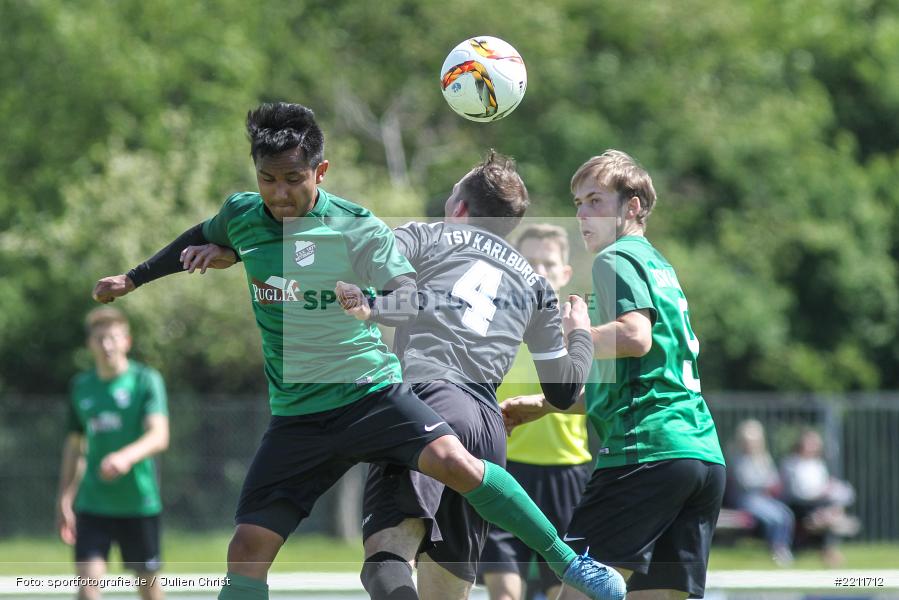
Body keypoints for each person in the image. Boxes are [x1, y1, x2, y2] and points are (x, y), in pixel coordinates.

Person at [91, 103, 623, 600]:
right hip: (297, 413)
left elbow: (407, 291)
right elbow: (205, 231)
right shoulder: (241, 216)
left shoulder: (360, 226)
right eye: (267, 179)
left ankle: (566, 561)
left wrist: (372, 303)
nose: (279, 193)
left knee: (452, 464)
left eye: (293, 180)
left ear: (320, 173)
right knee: (246, 553)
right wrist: (135, 277)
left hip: (369, 393)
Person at [502, 149, 727, 600]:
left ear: (633, 207)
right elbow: (641, 373)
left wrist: (572, 334)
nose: (583, 214)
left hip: (642, 453)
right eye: (578, 204)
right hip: (699, 455)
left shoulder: (615, 257)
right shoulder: (658, 264)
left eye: (596, 201)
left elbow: (635, 336)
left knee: (578, 592)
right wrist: (546, 405)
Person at [479, 224, 592, 600]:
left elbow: (597, 398)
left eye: (549, 263)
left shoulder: (581, 333)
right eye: (529, 263)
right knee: (505, 592)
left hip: (566, 474)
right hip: (505, 468)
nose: (539, 271)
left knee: (564, 589)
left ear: (565, 273)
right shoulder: (490, 326)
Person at [56, 307, 169, 600]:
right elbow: (74, 447)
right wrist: (65, 499)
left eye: (113, 338)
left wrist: (125, 457)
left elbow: (159, 435)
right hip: (93, 505)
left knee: (149, 589)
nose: (106, 345)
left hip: (139, 503)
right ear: (89, 344)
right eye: (99, 339)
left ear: (126, 341)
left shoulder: (146, 381)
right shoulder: (81, 387)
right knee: (88, 587)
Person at [780, 428, 859, 567]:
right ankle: (829, 534)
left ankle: (827, 523)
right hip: (799, 505)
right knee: (828, 515)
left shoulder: (818, 464)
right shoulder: (791, 463)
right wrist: (819, 492)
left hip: (819, 503)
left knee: (834, 506)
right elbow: (796, 492)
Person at [727, 419, 795, 566]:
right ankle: (775, 549)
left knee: (786, 514)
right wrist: (764, 483)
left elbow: (773, 477)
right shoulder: (736, 458)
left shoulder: (763, 457)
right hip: (746, 499)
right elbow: (745, 482)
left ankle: (783, 546)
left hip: (763, 498)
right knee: (773, 518)